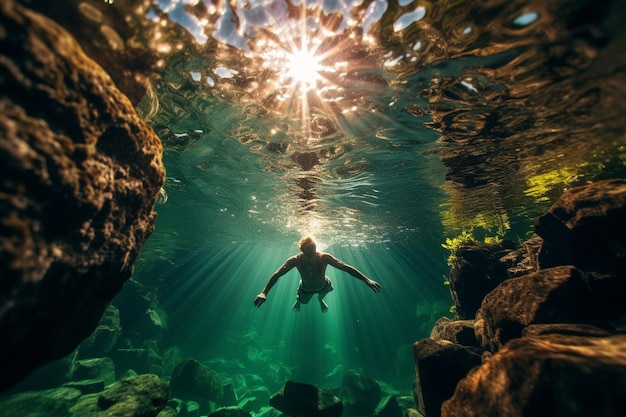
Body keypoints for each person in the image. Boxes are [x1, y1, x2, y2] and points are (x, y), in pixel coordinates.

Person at [253, 237, 382, 312]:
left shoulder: (324, 257)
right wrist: (264, 292)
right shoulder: (295, 260)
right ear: (302, 250)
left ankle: (320, 299)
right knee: (303, 302)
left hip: (324, 285)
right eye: (309, 250)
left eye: (314, 248)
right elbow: (277, 274)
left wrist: (367, 280)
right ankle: (298, 300)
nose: (312, 252)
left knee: (325, 291)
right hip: (305, 289)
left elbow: (345, 267)